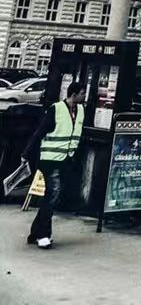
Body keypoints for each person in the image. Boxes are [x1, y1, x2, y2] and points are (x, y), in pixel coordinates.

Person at [23, 79, 85, 249]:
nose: (84, 96)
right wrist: (26, 154)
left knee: (51, 197)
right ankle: (43, 236)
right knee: (52, 195)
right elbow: (39, 132)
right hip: (50, 159)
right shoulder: (56, 109)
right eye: (82, 93)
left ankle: (35, 232)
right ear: (74, 94)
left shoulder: (80, 110)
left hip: (66, 159)